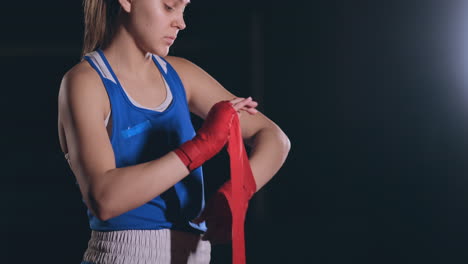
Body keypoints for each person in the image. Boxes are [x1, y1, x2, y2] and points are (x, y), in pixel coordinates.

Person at [57, 0, 291, 263]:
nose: (181, 22)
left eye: (184, 9)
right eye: (169, 6)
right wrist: (200, 147)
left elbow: (274, 137)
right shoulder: (85, 82)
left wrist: (238, 192)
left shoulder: (182, 74)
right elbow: (103, 198)